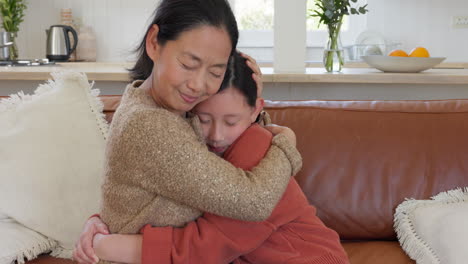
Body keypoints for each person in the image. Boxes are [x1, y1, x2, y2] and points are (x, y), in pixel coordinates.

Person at [73, 0, 301, 263]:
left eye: (215, 72)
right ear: (154, 42)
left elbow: (211, 159)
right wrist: (286, 144)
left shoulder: (157, 104)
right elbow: (254, 202)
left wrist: (253, 110)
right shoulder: (152, 127)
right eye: (188, 64)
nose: (197, 85)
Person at [76, 52, 350, 264]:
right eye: (204, 119)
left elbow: (208, 245)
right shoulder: (185, 142)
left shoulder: (259, 155)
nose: (217, 136)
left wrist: (104, 244)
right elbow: (154, 196)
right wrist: (100, 219)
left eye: (232, 121)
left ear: (256, 110)